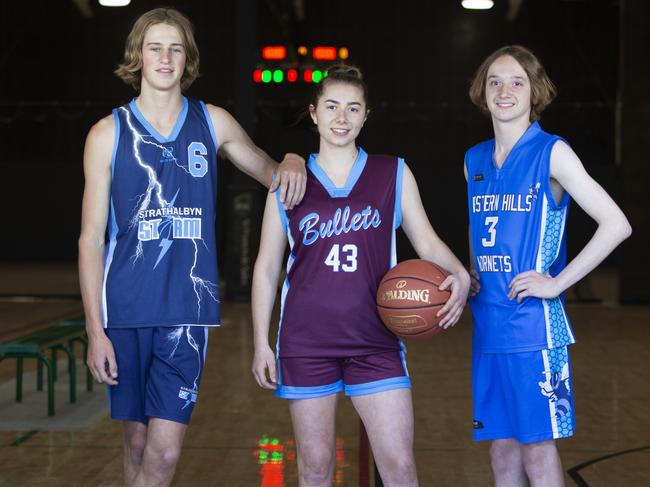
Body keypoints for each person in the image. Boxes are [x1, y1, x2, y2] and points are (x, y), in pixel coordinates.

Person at [78, 7, 306, 487]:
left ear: (188, 58)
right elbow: (89, 239)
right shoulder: (107, 133)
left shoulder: (213, 121)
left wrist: (291, 155)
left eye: (175, 48)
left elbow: (271, 173)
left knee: (162, 456)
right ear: (137, 55)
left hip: (188, 311)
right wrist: (95, 332)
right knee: (136, 445)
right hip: (125, 309)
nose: (165, 57)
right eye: (155, 47)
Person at [251, 65, 470, 486]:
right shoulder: (289, 182)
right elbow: (265, 266)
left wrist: (458, 272)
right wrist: (261, 342)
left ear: (366, 116)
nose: (341, 118)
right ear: (313, 113)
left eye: (353, 109)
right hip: (305, 343)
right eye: (332, 107)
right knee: (315, 470)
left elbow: (427, 242)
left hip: (375, 340)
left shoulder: (393, 172)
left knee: (400, 467)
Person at [465, 45, 632, 486]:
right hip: (489, 325)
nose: (505, 90)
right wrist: (472, 272)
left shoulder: (552, 152)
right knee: (502, 453)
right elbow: (478, 226)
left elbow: (616, 224)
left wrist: (557, 282)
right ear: (482, 91)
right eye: (495, 81)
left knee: (537, 451)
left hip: (534, 330)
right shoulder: (473, 160)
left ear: (534, 90)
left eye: (517, 81)